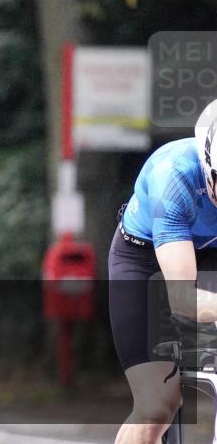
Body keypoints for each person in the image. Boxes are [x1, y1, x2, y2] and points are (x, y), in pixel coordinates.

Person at [110, 99, 217, 444]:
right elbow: (182, 299)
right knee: (157, 406)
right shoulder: (173, 176)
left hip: (209, 251)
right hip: (145, 261)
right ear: (206, 163)